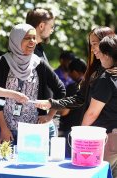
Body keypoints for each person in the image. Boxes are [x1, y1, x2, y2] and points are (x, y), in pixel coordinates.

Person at [35, 27, 116, 177]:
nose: (93, 49)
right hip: (101, 138)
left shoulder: (108, 75)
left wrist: (80, 135)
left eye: (95, 44)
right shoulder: (96, 71)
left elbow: (91, 112)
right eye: (90, 45)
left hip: (104, 138)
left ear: (108, 43)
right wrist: (52, 103)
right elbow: (79, 98)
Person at [0, 23, 66, 151]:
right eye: (27, 38)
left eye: (34, 38)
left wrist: (49, 116)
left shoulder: (39, 63)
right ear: (16, 39)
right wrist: (3, 128)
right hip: (7, 132)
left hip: (34, 133)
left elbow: (60, 90)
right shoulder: (2, 62)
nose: (32, 42)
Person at [81, 35, 117, 178]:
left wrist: (81, 133)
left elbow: (92, 113)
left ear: (108, 55)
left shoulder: (107, 79)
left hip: (110, 138)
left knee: (98, 174)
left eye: (101, 53)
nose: (98, 57)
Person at [58, 58, 87, 157]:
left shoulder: (73, 87)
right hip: (86, 129)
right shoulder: (91, 86)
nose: (69, 75)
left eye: (70, 72)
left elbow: (64, 111)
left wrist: (53, 111)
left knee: (69, 160)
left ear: (74, 72)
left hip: (70, 130)